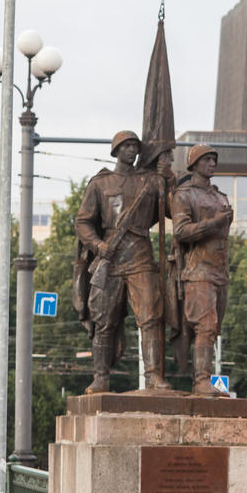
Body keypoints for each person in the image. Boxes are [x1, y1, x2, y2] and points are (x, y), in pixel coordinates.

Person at [74, 129, 170, 394]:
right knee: (104, 320)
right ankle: (101, 377)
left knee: (151, 316)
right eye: (125, 145)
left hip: (140, 255)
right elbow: (83, 222)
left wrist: (167, 179)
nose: (131, 150)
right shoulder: (100, 183)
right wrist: (98, 245)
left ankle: (153, 376)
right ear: (115, 150)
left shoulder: (151, 180)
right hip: (110, 258)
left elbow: (171, 210)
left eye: (134, 146)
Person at [171, 144, 233, 394]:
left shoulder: (220, 196)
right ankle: (201, 381)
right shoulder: (184, 195)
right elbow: (181, 231)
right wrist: (214, 222)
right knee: (205, 325)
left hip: (220, 271)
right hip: (197, 270)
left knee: (214, 328)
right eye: (207, 159)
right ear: (194, 164)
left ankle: (203, 378)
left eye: (214, 160)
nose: (212, 164)